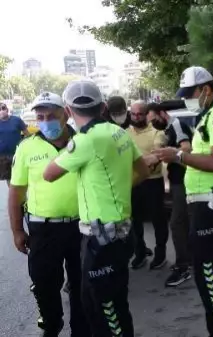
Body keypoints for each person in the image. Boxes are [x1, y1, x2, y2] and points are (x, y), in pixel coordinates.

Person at [43, 79, 150, 337]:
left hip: (102, 238)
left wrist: (69, 146)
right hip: (120, 232)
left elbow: (49, 174)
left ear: (68, 111)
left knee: (105, 308)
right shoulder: (119, 132)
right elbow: (143, 171)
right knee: (107, 302)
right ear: (102, 106)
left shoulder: (85, 141)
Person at [153, 66, 213, 337]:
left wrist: (178, 157)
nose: (188, 99)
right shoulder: (207, 116)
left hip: (211, 205)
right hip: (203, 204)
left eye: (191, 93)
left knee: (209, 274)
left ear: (206, 89)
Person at [8, 92, 90, 337]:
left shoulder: (84, 142)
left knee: (82, 285)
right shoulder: (26, 147)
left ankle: (81, 331)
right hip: (43, 229)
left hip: (81, 227)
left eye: (51, 116)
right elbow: (16, 192)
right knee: (44, 285)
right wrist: (17, 230)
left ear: (65, 113)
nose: (45, 121)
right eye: (40, 117)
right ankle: (52, 326)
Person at [147, 102, 194, 287]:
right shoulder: (168, 128)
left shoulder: (176, 125)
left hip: (183, 182)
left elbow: (187, 149)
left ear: (162, 113)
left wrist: (171, 155)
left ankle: (184, 266)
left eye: (154, 119)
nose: (153, 123)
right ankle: (189, 260)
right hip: (177, 182)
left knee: (177, 224)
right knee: (184, 223)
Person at [128, 100, 169, 269]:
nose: (136, 117)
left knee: (158, 220)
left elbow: (156, 156)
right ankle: (140, 252)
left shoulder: (157, 133)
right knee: (134, 221)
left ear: (146, 115)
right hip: (132, 183)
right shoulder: (124, 134)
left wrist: (136, 161)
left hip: (152, 182)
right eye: (133, 114)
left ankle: (160, 253)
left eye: (140, 114)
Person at [0, 103, 29, 185]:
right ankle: (14, 195)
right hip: (2, 156)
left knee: (20, 175)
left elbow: (27, 134)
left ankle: (22, 194)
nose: (1, 111)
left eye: (3, 108)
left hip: (17, 154)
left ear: (7, 110)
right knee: (9, 178)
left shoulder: (16, 120)